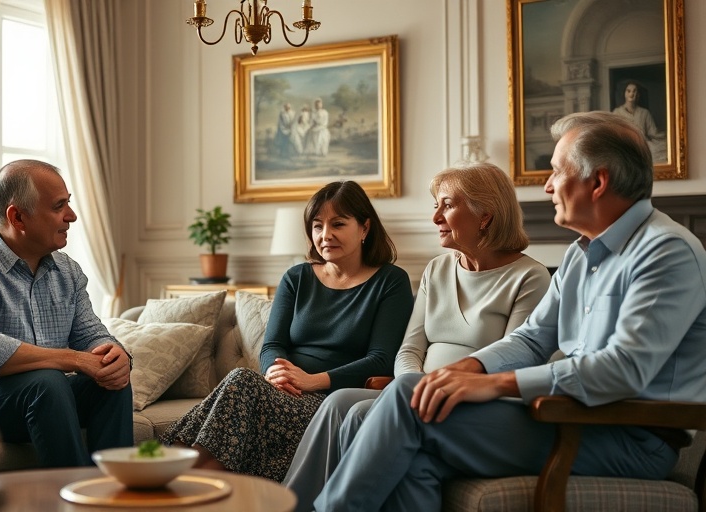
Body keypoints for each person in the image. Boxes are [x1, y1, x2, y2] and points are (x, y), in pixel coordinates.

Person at [312, 111, 706, 511]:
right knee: (409, 450)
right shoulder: (579, 255)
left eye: (555, 172)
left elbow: (623, 369)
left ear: (598, 182)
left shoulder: (666, 252)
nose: (548, 186)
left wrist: (497, 385)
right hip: (573, 418)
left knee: (406, 398)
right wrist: (467, 370)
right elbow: (533, 338)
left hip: (627, 436)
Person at [283, 163, 551, 510]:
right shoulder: (438, 269)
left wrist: (418, 391)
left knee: (360, 414)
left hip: (474, 401)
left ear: (485, 215)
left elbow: (516, 360)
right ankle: (293, 504)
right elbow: (410, 347)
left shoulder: (530, 277)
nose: (435, 217)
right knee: (337, 403)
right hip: (417, 392)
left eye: (447, 205)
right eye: (435, 206)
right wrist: (411, 385)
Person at [160, 180, 414, 483]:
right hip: (282, 391)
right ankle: (179, 482)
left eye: (338, 224)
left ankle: (172, 481)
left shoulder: (391, 281)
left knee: (241, 382)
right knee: (244, 383)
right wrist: (276, 375)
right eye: (317, 226)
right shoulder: (297, 277)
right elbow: (273, 346)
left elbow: (382, 359)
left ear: (364, 228)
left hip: (333, 400)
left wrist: (312, 381)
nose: (325, 235)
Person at [0, 159, 134, 467]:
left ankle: (116, 495)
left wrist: (114, 356)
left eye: (69, 204)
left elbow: (92, 334)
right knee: (47, 382)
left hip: (44, 397)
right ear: (18, 217)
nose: (71, 216)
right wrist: (75, 359)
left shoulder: (68, 271)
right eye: (59, 206)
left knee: (110, 383)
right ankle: (73, 500)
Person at [611, 80, 667, 162]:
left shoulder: (645, 113)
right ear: (624, 93)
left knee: (664, 148)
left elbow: (653, 132)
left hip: (642, 145)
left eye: (634, 91)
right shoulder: (617, 112)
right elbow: (614, 133)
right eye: (628, 91)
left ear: (638, 94)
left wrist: (666, 135)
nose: (631, 94)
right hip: (625, 146)